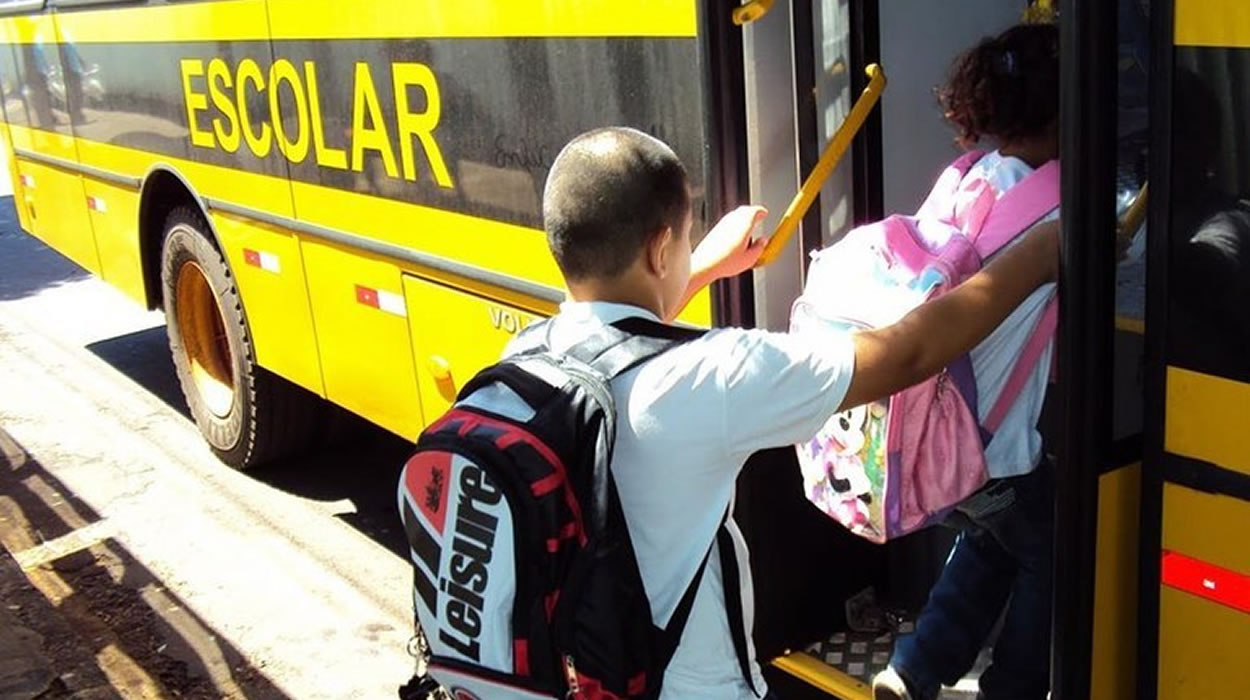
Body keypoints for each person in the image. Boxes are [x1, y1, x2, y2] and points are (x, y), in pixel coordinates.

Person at [521, 125, 1058, 699]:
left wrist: (701, 266)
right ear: (659, 250)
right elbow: (907, 355)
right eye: (684, 240)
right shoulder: (714, 376)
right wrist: (1041, 254)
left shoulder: (529, 354)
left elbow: (623, 332)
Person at [872, 22, 1061, 700]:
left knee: (991, 538)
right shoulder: (1058, 208)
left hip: (935, 439)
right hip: (994, 444)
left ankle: (915, 667)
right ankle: (1013, 685)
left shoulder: (962, 179)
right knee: (1051, 551)